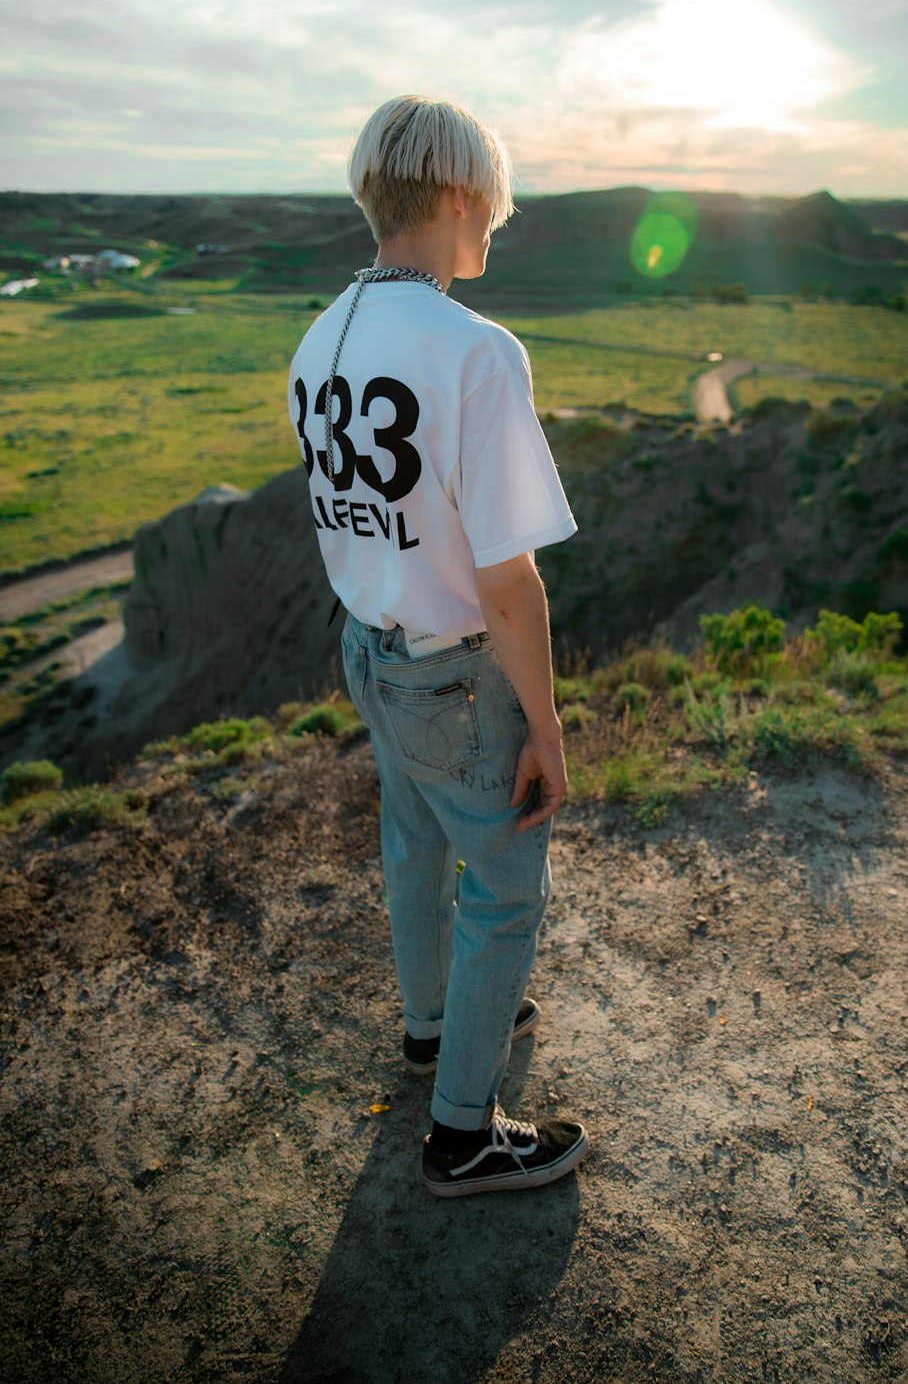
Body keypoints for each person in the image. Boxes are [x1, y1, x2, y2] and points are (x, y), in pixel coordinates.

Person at [288, 95, 589, 1197]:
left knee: (414, 846)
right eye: (492, 213)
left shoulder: (320, 338)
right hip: (457, 674)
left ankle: (429, 1029)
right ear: (462, 198)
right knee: (504, 889)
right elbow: (508, 579)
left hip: (368, 647)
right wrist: (546, 728)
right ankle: (463, 1134)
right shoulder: (475, 351)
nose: (492, 234)